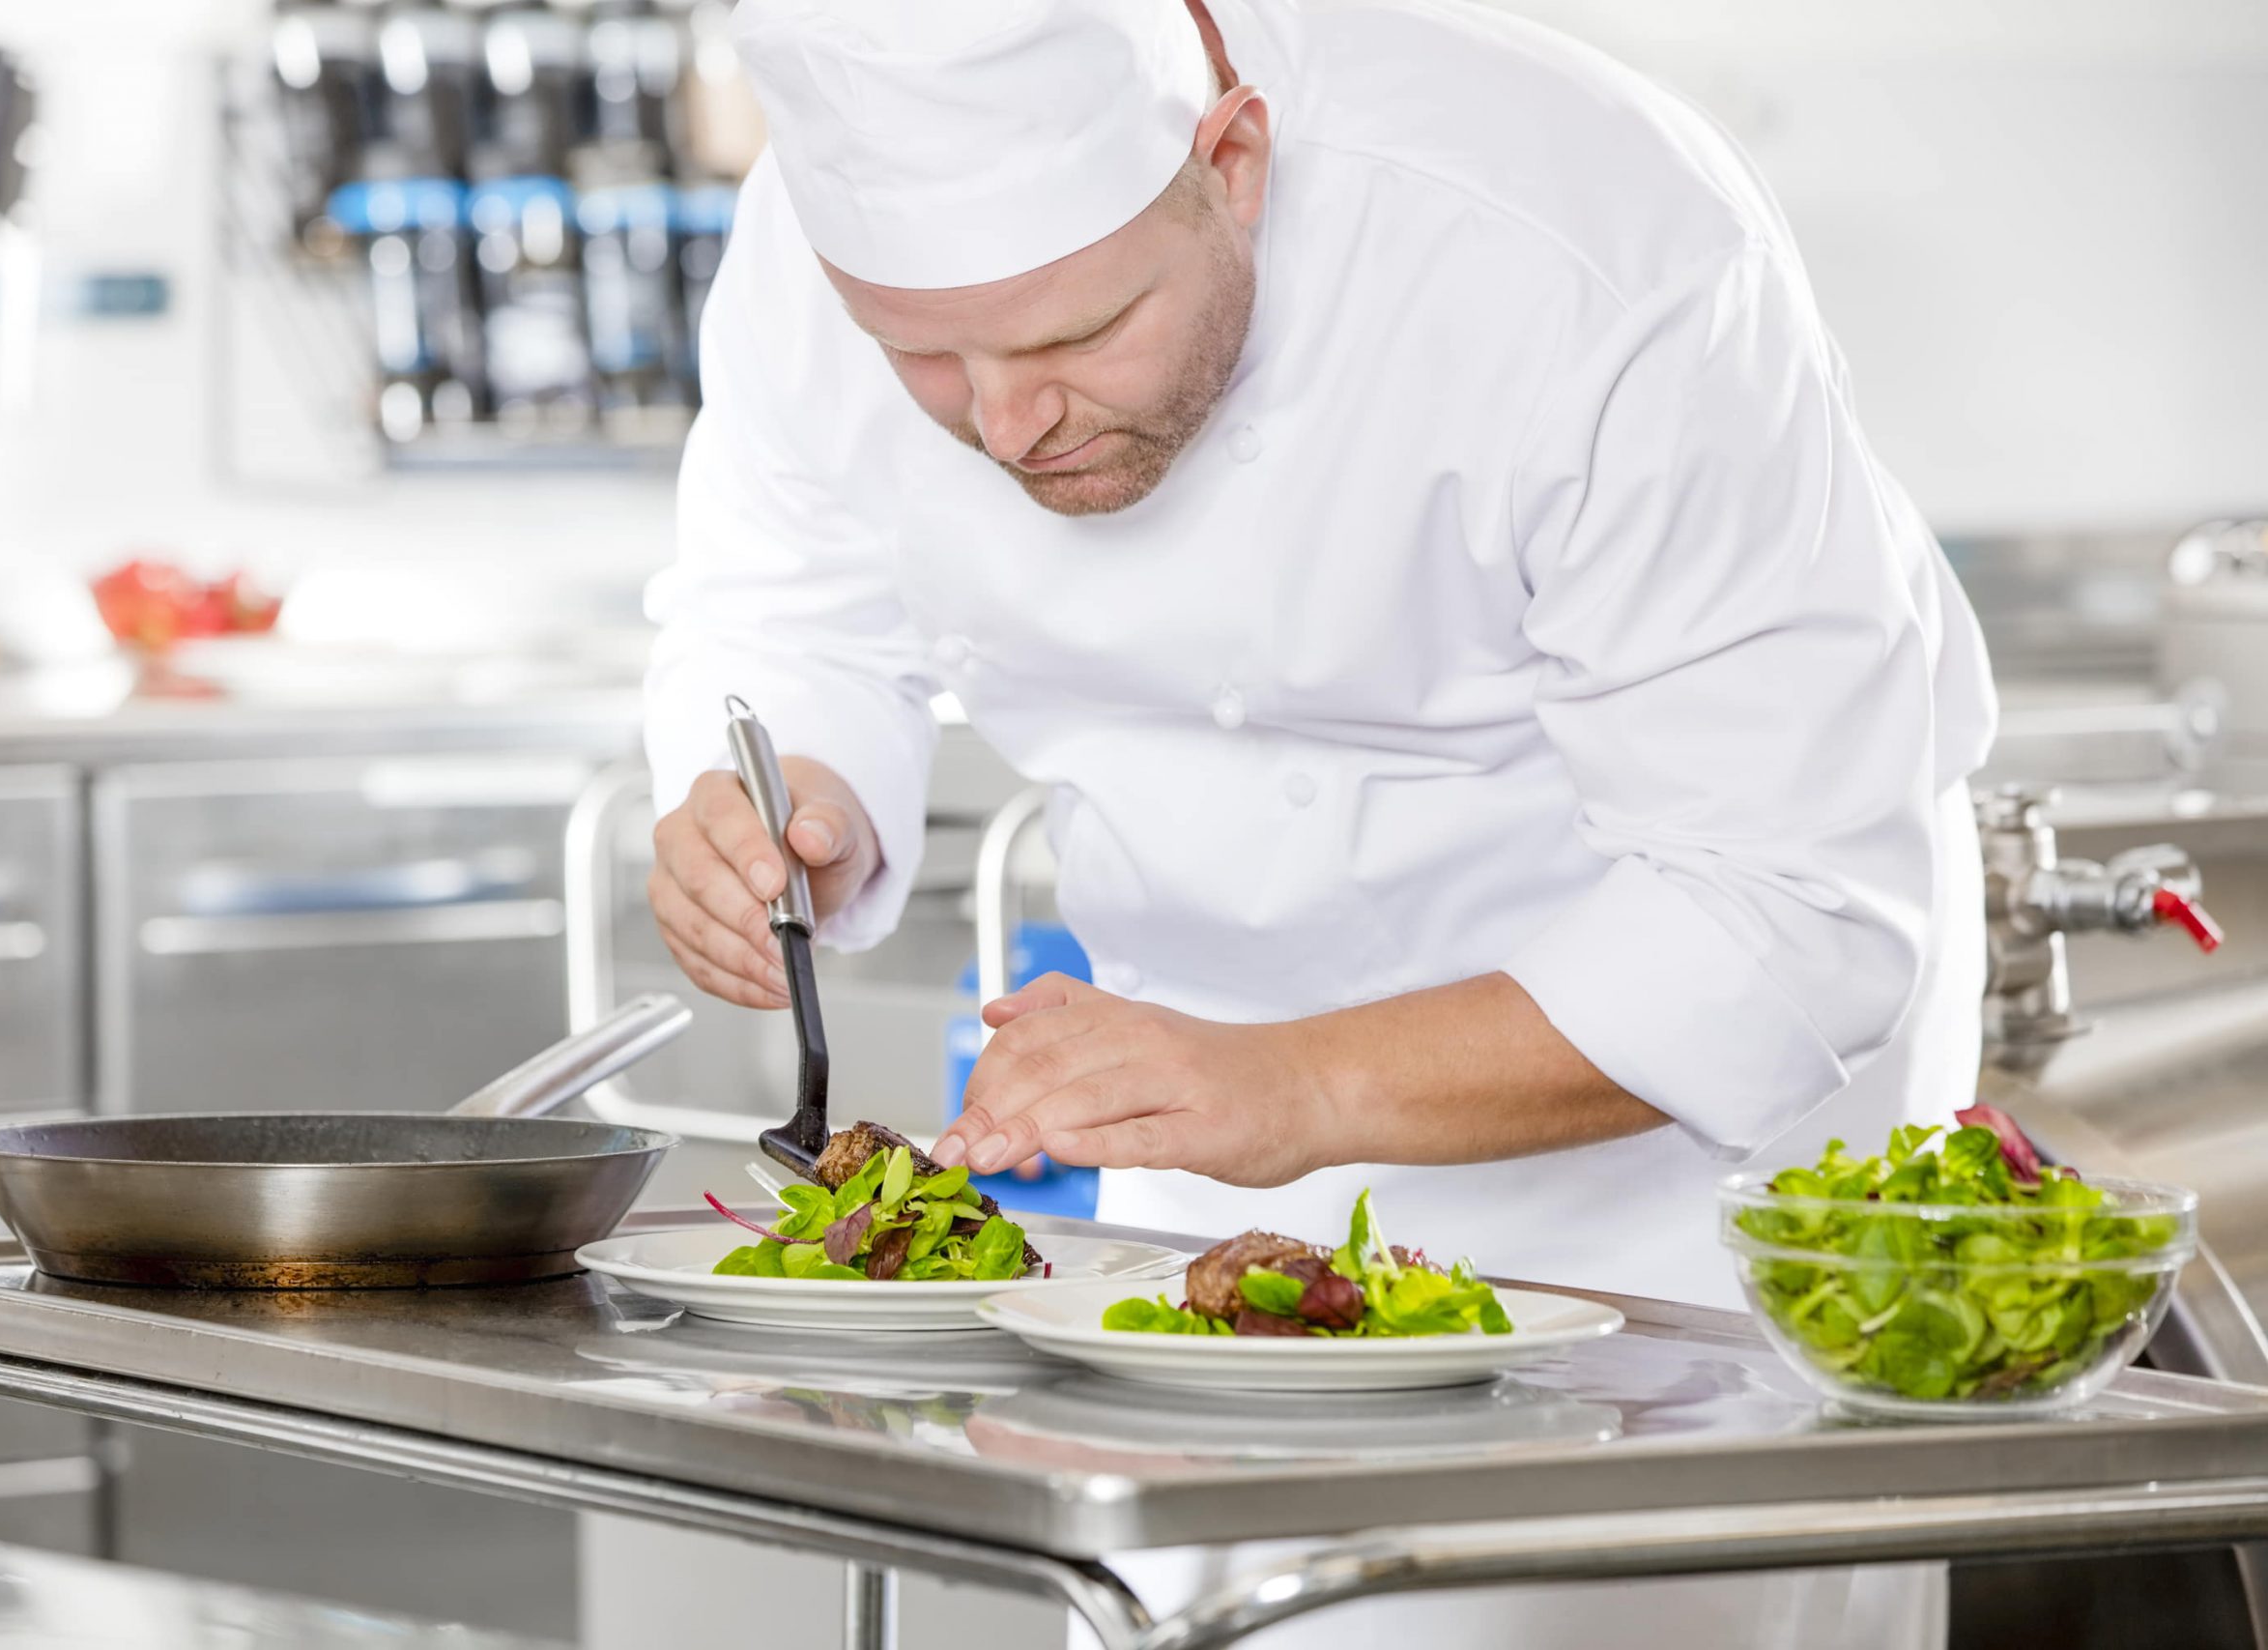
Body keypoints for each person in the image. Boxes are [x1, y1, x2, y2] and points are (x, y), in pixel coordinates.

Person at [640, 1, 1995, 1643]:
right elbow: (793, 601)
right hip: (1195, 1144)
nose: (1005, 426)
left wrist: (1301, 1078)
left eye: (1077, 337)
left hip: (1669, 1173)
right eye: (924, 358)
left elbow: (1788, 907)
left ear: (1235, 159)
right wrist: (795, 801)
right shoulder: (820, 228)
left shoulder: (1589, 240)